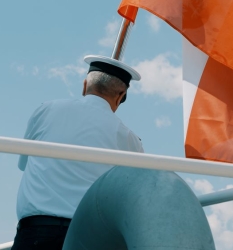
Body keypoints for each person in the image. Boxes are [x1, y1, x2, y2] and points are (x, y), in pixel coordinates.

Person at [11, 55, 144, 250]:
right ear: (121, 95)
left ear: (85, 85)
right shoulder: (128, 138)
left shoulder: (46, 110)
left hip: (36, 233)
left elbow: (22, 165)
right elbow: (134, 194)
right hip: (91, 237)